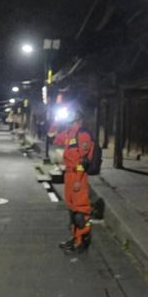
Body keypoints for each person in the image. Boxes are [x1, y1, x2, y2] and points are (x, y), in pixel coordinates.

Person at [52, 103, 95, 254]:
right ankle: (74, 237)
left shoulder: (82, 135)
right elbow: (53, 138)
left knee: (81, 210)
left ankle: (82, 240)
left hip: (78, 176)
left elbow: (84, 161)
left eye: (70, 113)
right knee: (72, 209)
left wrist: (78, 179)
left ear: (77, 116)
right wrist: (56, 121)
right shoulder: (69, 133)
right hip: (69, 175)